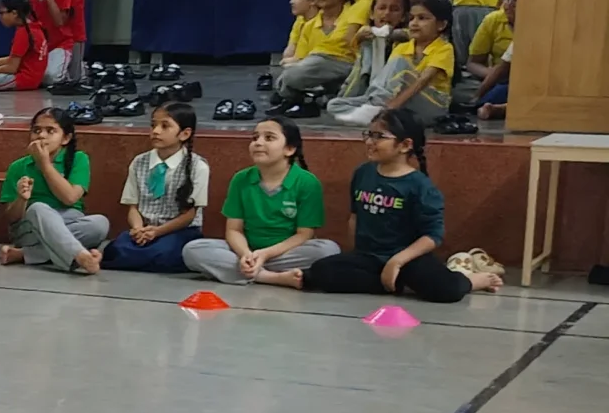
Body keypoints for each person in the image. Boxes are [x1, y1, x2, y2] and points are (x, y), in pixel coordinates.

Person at [279, 108, 502, 299]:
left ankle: (471, 280)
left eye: (379, 137)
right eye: (369, 134)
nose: (370, 142)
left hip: (408, 259)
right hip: (369, 257)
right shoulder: (363, 173)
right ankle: (391, 283)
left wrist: (397, 261)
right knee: (323, 271)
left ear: (405, 145)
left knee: (445, 290)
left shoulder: (420, 186)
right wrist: (356, 255)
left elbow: (433, 236)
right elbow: (355, 217)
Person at [187, 113, 338, 285]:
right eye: (255, 137)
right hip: (245, 250)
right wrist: (246, 254)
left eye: (269, 138)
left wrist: (264, 254)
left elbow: (304, 234)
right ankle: (269, 277)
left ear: (289, 149)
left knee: (327, 251)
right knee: (192, 250)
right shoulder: (241, 179)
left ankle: (246, 272)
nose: (258, 143)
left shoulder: (307, 182)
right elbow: (234, 230)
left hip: (286, 252)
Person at [0, 105, 104, 273]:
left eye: (50, 131)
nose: (41, 136)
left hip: (69, 220)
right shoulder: (18, 166)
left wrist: (44, 164)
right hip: (30, 229)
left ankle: (25, 255)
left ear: (65, 138)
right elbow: (12, 218)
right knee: (38, 208)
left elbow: (70, 198)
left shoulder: (78, 159)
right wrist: (21, 199)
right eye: (36, 130)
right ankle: (80, 256)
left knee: (100, 224)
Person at [102, 104, 209, 273]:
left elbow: (189, 215)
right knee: (113, 250)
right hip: (146, 229)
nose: (156, 131)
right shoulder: (139, 162)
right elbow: (133, 206)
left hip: (179, 231)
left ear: (185, 134)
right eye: (153, 125)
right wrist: (138, 229)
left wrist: (157, 232)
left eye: (165, 126)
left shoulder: (198, 166)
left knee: (166, 253)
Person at [330, 0, 453, 127]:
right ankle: (376, 113)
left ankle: (375, 111)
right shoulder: (402, 47)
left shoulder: (444, 48)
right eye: (412, 18)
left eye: (422, 18)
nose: (414, 23)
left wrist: (390, 107)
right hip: (403, 107)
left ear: (441, 25)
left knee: (402, 66)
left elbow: (421, 82)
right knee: (334, 104)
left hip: (431, 108)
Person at [276, 0, 360, 103]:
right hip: (319, 68)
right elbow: (302, 58)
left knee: (291, 77)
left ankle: (307, 96)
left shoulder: (354, 17)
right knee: (291, 74)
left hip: (348, 65)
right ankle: (320, 94)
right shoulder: (309, 25)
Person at [470, 0, 516, 119]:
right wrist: (491, 74)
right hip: (498, 78)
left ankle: (500, 109)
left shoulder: (537, 25)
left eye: (517, 0)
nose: (509, 4)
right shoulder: (493, 20)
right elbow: (473, 63)